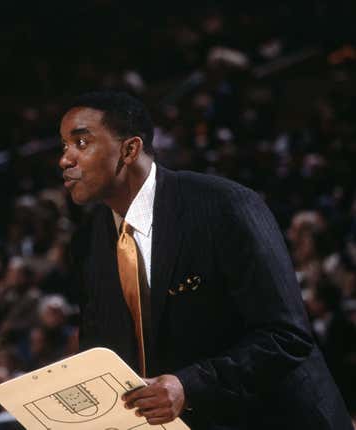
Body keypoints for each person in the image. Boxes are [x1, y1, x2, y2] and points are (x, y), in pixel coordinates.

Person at [58, 91, 352, 429]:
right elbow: (104, 354)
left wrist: (189, 385)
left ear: (130, 149)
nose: (65, 160)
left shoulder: (224, 206)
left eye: (81, 143)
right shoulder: (86, 243)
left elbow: (286, 336)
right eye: (63, 146)